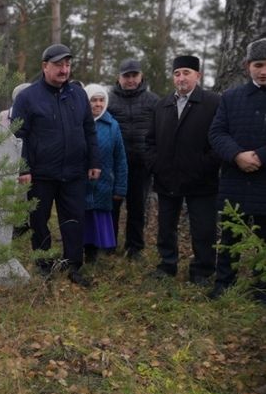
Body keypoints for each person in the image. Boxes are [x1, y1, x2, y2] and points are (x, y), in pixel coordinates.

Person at [11, 44, 101, 287]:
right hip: (40, 174)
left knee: (74, 219)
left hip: (74, 172)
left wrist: (94, 160)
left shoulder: (78, 94)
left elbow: (88, 129)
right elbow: (19, 135)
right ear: (44, 66)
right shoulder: (27, 97)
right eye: (59, 65)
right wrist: (23, 168)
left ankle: (73, 265)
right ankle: (43, 265)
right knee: (39, 221)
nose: (64, 69)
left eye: (67, 65)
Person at [145, 55, 220, 285]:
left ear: (198, 75)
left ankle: (202, 271)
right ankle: (167, 265)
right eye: (177, 74)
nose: (181, 78)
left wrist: (204, 165)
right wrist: (156, 164)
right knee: (166, 226)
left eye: (186, 72)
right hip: (167, 178)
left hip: (201, 180)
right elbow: (150, 141)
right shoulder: (162, 104)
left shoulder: (213, 102)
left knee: (203, 229)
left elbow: (218, 141)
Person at [208, 38, 266, 299]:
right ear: (247, 66)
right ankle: (223, 285)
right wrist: (237, 155)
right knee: (230, 236)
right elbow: (217, 133)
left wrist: (260, 157)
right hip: (235, 179)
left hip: (264, 179)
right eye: (258, 64)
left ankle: (261, 289)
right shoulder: (231, 97)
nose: (263, 71)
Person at [107, 59, 159, 259]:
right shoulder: (109, 100)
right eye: (126, 76)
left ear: (141, 76)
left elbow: (159, 132)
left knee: (137, 208)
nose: (130, 80)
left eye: (134, 75)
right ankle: (108, 243)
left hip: (141, 165)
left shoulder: (153, 101)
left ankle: (135, 247)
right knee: (112, 206)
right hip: (114, 165)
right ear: (118, 77)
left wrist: (153, 158)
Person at [83, 84, 128, 262]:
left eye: (101, 100)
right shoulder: (78, 123)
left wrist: (120, 188)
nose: (98, 104)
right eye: (93, 100)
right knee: (82, 217)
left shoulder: (112, 126)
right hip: (81, 183)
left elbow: (121, 159)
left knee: (98, 217)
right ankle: (80, 251)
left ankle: (95, 253)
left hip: (104, 184)